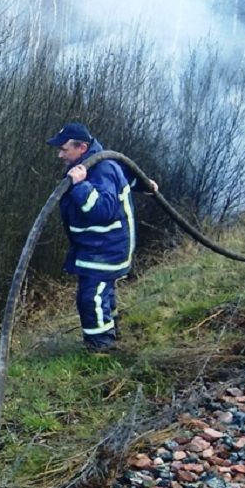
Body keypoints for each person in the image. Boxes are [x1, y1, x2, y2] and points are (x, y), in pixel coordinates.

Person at [48, 122, 156, 352]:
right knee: (102, 293)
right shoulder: (97, 162)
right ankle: (112, 332)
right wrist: (143, 184)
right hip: (98, 247)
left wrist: (80, 186)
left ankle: (100, 348)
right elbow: (125, 175)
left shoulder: (100, 168)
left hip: (104, 250)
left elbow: (103, 210)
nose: (59, 154)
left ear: (82, 147)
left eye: (64, 149)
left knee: (90, 299)